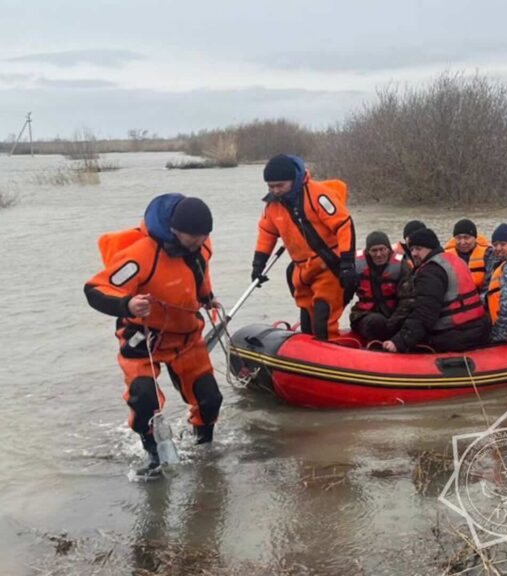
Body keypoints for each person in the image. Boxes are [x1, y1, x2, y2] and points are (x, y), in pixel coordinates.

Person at [84, 194, 223, 479]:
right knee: (144, 398)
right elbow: (95, 290)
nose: (200, 241)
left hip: (186, 336)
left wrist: (207, 299)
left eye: (204, 236)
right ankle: (153, 455)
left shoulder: (201, 246)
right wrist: (128, 305)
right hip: (143, 337)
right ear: (174, 230)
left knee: (210, 398)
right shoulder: (140, 255)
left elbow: (199, 276)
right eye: (193, 237)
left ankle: (204, 447)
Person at [251, 155, 356, 341]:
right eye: (271, 186)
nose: (275, 191)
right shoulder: (272, 206)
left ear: (293, 180)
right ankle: (306, 360)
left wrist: (347, 263)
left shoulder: (318, 195)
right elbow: (267, 233)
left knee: (323, 317)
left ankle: (328, 358)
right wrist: (258, 266)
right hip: (302, 271)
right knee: (307, 321)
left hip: (330, 268)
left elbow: (343, 225)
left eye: (280, 185)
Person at [383, 228, 487, 353]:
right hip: (477, 328)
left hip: (453, 335)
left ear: (431, 248)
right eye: (412, 249)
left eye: (419, 248)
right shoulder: (455, 260)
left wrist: (400, 342)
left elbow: (425, 311)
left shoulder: (431, 271)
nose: (414, 253)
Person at [350, 231, 408, 341]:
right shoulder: (356, 266)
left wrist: (393, 323)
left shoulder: (402, 266)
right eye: (374, 250)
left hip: (395, 315)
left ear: (389, 250)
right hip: (364, 315)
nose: (379, 254)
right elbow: (342, 295)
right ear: (368, 252)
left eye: (382, 249)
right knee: (376, 322)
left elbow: (408, 300)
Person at [444, 218, 494, 289]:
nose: (462, 242)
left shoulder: (488, 254)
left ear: (475, 238)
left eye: (466, 238)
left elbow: (490, 283)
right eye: (458, 238)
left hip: (479, 295)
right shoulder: (445, 256)